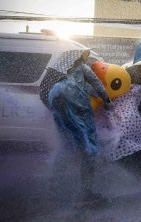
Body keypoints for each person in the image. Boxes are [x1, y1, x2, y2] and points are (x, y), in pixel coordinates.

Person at [48, 49, 114, 205]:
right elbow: (96, 83)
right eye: (86, 56)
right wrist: (107, 100)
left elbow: (82, 86)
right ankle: (87, 192)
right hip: (76, 102)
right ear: (80, 58)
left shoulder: (61, 75)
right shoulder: (82, 67)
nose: (88, 59)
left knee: (67, 142)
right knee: (89, 147)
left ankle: (54, 185)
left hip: (58, 101)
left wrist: (92, 92)